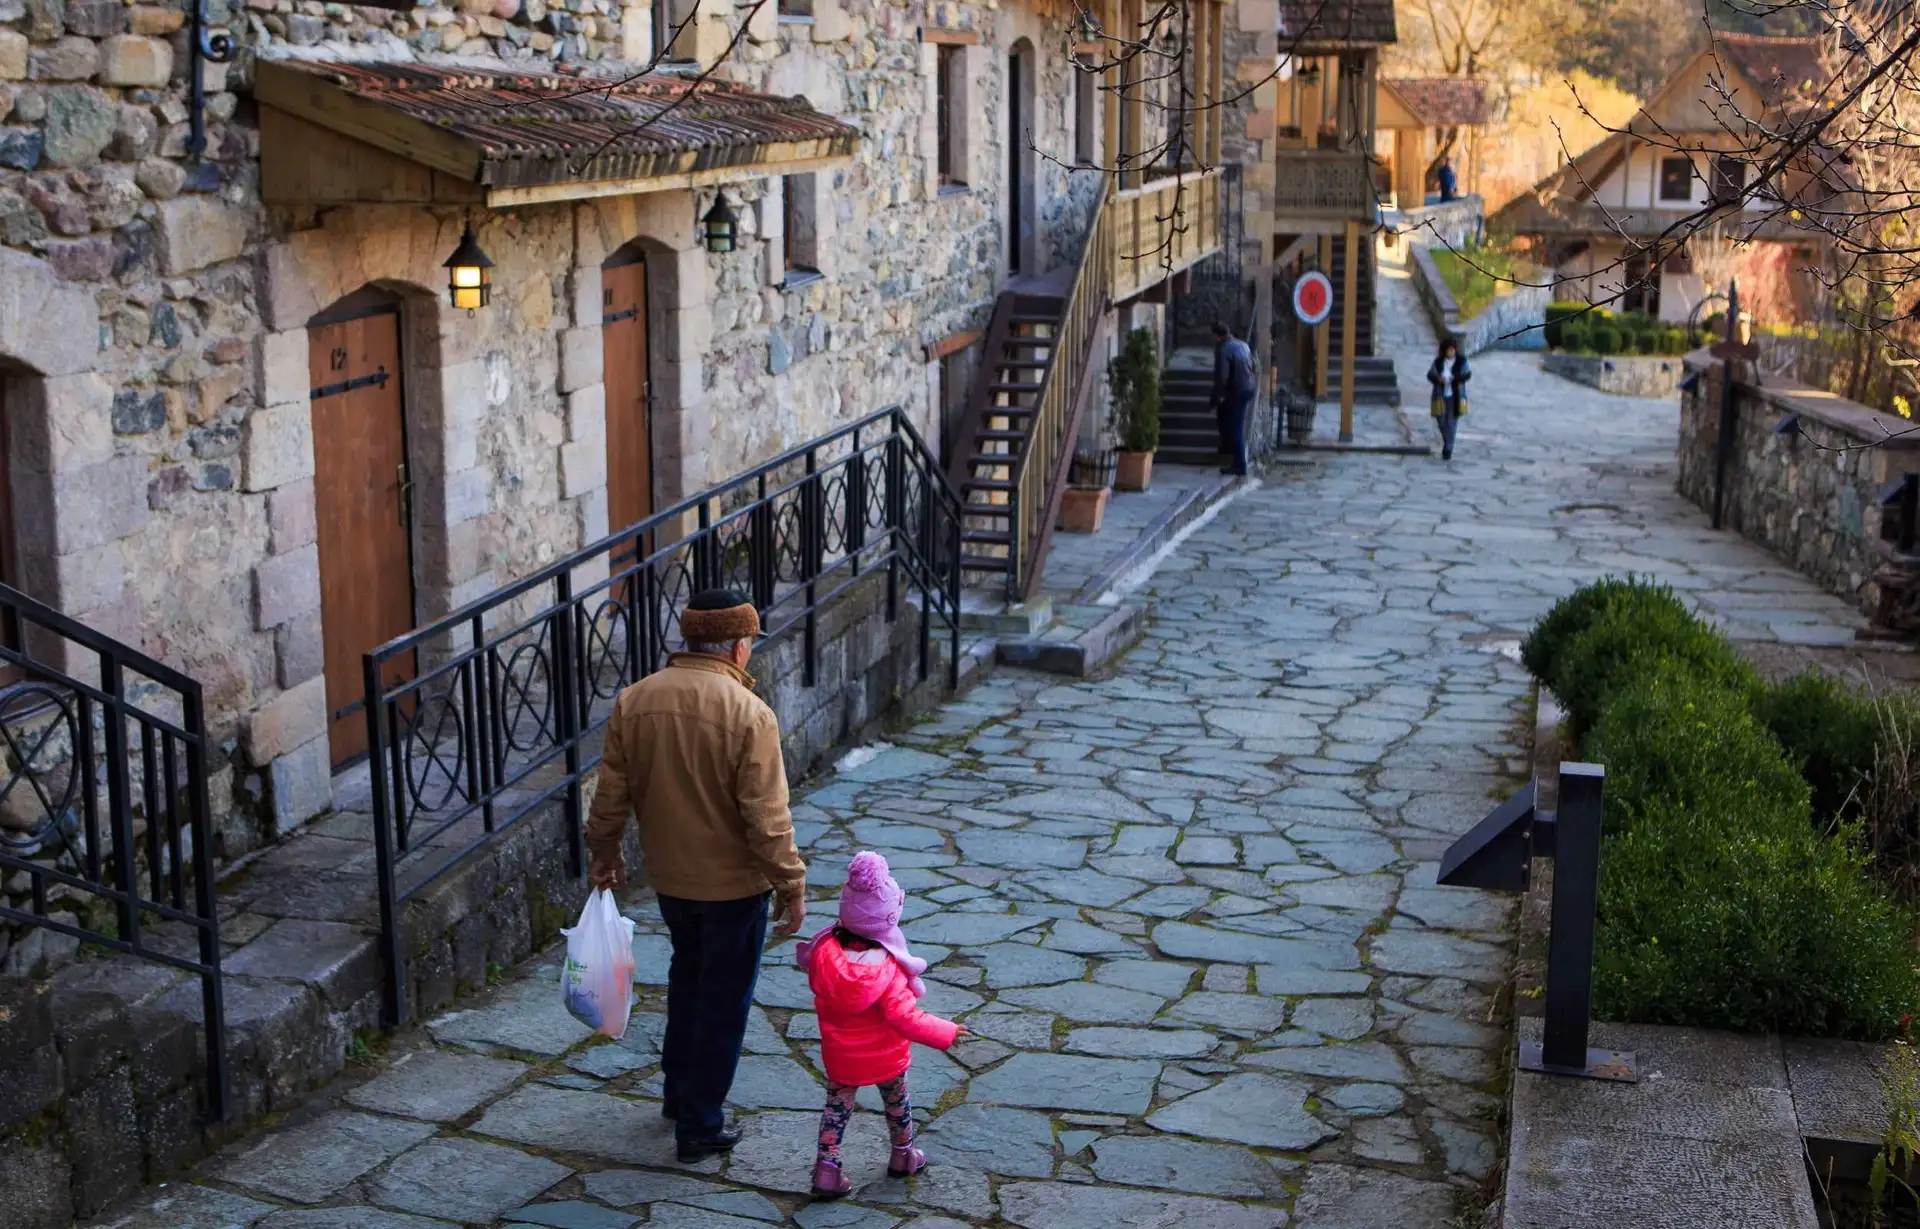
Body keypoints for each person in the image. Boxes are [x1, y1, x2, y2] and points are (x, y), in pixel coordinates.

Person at [586, 587, 809, 1163]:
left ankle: (677, 1093)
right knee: (723, 1000)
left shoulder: (636, 700)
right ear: (738, 648)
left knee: (688, 980)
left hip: (671, 879)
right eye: (750, 645)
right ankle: (700, 1123)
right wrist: (791, 883)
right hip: (734, 886)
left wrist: (604, 850)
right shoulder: (748, 713)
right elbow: (766, 816)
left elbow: (610, 793)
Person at [797, 851, 966, 1197]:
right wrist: (946, 1032)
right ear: (887, 917)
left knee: (836, 1111)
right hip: (886, 1057)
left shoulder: (824, 951)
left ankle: (827, 1170)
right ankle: (903, 1155)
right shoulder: (887, 969)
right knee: (897, 1104)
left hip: (841, 1056)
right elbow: (904, 1017)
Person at [1209, 321, 1257, 477]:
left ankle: (1239, 465)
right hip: (1248, 387)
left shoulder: (1223, 350)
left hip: (1237, 391)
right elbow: (1253, 366)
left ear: (1217, 336)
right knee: (1225, 417)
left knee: (1235, 427)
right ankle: (1227, 448)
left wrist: (1214, 400)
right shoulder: (1243, 345)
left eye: (1212, 335)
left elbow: (1222, 377)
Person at [1426, 338, 1470, 461]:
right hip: (1440, 396)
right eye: (1448, 350)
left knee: (1451, 423)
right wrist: (1438, 379)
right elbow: (1430, 375)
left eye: (1453, 350)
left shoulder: (1462, 362)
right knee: (1441, 421)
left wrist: (1456, 379)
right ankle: (1447, 440)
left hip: (1455, 396)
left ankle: (1448, 449)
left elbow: (1467, 374)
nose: (1451, 352)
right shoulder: (1438, 362)